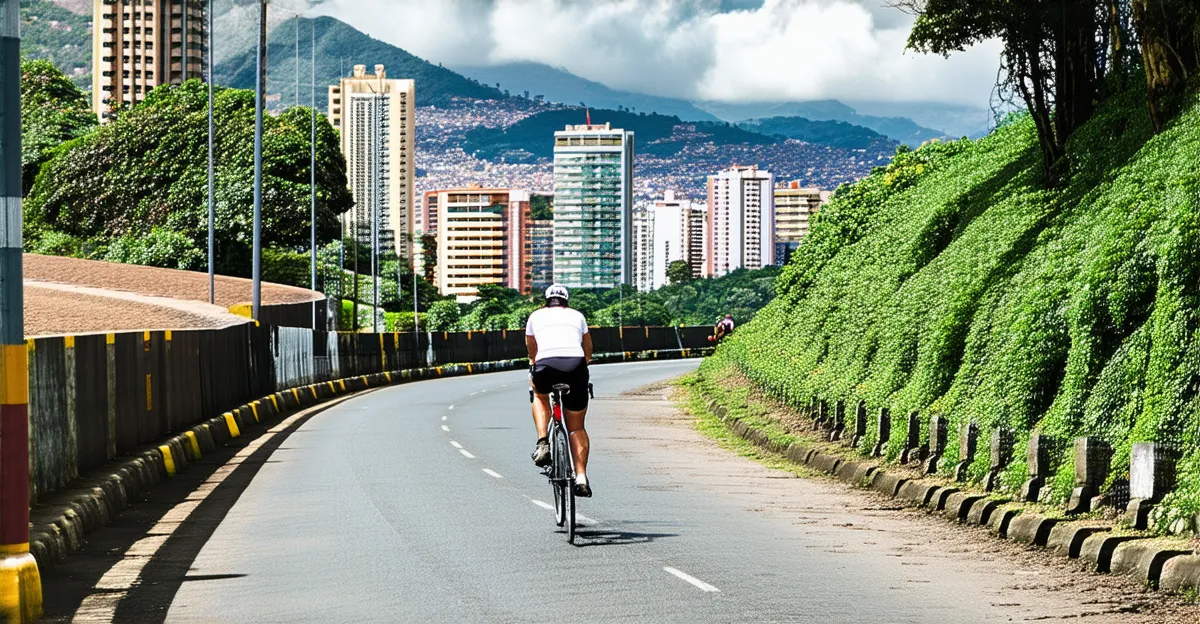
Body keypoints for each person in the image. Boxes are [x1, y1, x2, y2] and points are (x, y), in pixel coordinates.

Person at [526, 284, 594, 497]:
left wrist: (534, 364)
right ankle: (581, 477)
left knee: (539, 394)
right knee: (576, 428)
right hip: (575, 366)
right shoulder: (577, 316)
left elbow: (532, 350)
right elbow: (588, 350)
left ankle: (543, 440)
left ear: (547, 300)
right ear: (566, 300)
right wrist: (582, 366)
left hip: (545, 367)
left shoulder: (535, 316)